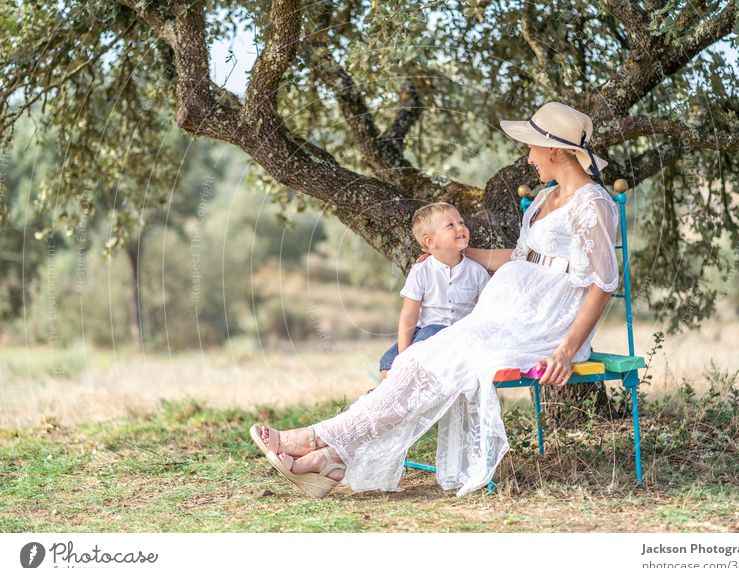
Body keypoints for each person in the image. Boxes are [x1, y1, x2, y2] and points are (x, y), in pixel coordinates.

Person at [250, 101, 620, 499]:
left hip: (545, 324)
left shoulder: (592, 203)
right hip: (503, 315)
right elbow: (518, 258)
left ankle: (315, 441)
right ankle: (330, 456)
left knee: (433, 360)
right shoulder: (548, 198)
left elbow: (602, 282)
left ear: (554, 150)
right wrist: (453, 256)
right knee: (416, 359)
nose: (528, 157)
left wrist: (565, 350)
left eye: (532, 147)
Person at [377, 202, 490, 380]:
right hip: (424, 333)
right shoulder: (421, 271)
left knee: (433, 332)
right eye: (451, 225)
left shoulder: (477, 272)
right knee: (390, 358)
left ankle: (406, 377)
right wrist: (404, 355)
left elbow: (485, 312)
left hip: (459, 335)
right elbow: (409, 315)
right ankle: (389, 388)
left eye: (461, 222)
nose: (461, 227)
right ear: (430, 241)